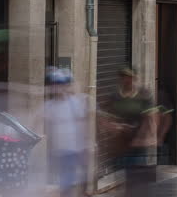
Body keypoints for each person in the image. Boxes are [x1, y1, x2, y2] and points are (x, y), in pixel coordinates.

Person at [99, 67, 161, 196]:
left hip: (139, 141)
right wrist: (111, 126)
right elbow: (103, 114)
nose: (126, 80)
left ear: (135, 78)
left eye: (129, 77)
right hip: (120, 142)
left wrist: (142, 138)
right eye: (123, 77)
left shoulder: (144, 94)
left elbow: (150, 117)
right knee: (123, 174)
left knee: (135, 176)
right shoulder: (115, 95)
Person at [43, 67, 89, 197]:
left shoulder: (75, 103)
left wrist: (84, 148)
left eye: (59, 84)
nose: (56, 88)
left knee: (66, 184)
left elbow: (82, 126)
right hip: (57, 152)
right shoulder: (49, 106)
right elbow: (43, 126)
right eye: (54, 85)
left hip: (73, 151)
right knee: (63, 184)